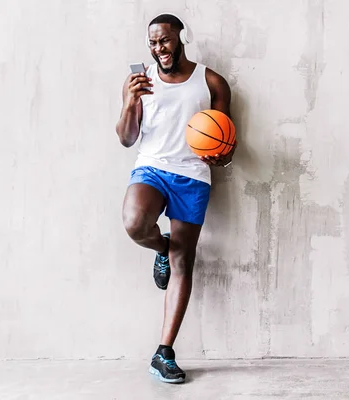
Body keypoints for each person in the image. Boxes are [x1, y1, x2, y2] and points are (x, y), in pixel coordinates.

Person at [115, 13, 235, 384]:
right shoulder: (140, 82)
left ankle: (163, 351)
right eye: (152, 43)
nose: (158, 49)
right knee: (135, 223)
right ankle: (160, 246)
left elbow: (227, 145)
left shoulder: (211, 81)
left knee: (185, 260)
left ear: (181, 37)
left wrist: (220, 155)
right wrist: (130, 101)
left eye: (164, 41)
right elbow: (125, 138)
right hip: (151, 167)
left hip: (193, 176)